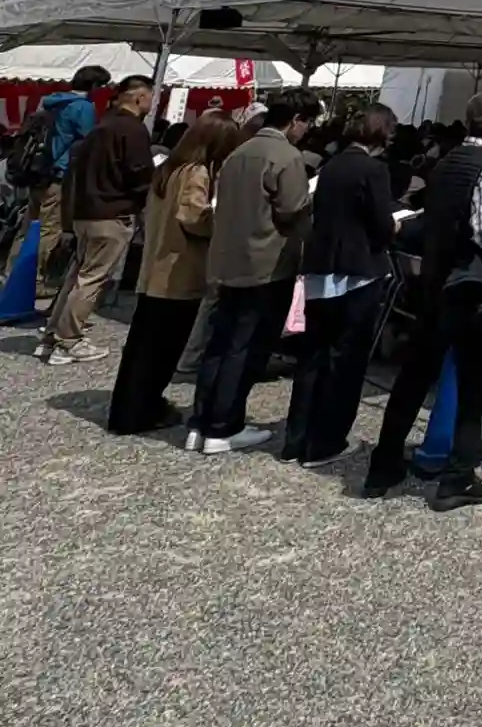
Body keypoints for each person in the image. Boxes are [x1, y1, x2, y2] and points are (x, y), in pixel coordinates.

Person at [363, 87, 482, 507]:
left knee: (412, 378)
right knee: (472, 385)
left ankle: (383, 464)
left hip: (433, 282)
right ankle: (458, 476)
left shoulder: (445, 161)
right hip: (468, 288)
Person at [186, 92, 315, 452]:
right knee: (247, 347)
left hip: (227, 258)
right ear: (296, 120)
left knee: (220, 343)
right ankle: (224, 426)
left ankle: (200, 421)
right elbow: (291, 210)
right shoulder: (286, 156)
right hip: (265, 263)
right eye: (307, 123)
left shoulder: (238, 152)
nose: (307, 131)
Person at [106, 112, 241, 432]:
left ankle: (129, 408)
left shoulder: (168, 168)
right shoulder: (196, 172)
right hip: (179, 270)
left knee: (142, 347)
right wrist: (223, 220)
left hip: (155, 266)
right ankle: (144, 409)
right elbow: (193, 217)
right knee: (163, 349)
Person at [282, 103, 400, 467]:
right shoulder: (374, 170)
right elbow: (381, 223)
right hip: (357, 270)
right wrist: (395, 226)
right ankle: (326, 441)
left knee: (312, 357)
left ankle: (296, 439)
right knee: (346, 360)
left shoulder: (332, 165)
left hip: (322, 267)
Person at [37, 76, 156, 366]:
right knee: (91, 278)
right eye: (151, 96)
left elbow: (74, 172)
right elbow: (140, 174)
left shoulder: (99, 127)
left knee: (77, 276)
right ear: (139, 97)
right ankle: (69, 341)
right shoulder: (132, 130)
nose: (152, 103)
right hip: (112, 212)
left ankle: (52, 335)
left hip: (85, 211)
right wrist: (146, 204)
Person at [4, 63, 110, 302]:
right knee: (48, 229)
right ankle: (33, 280)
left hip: (36, 172)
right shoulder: (83, 107)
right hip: (59, 175)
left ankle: (11, 273)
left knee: (27, 226)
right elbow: (90, 141)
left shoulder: (51, 101)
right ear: (94, 85)